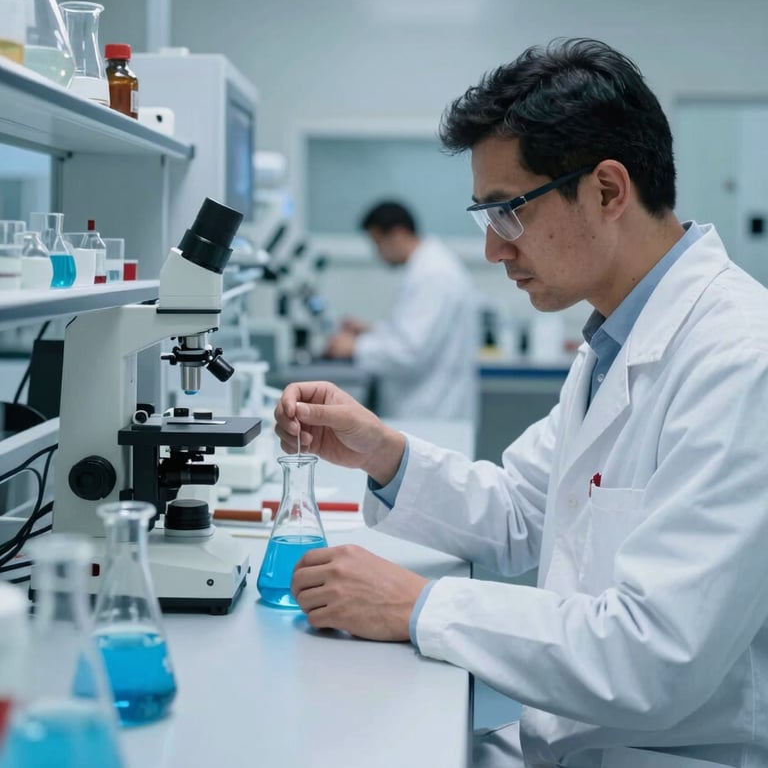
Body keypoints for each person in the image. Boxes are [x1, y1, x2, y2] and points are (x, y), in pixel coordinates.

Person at [274, 39, 768, 768]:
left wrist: (417, 606)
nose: (494, 251)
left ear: (607, 191)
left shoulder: (740, 358)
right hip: (572, 741)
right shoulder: (615, 339)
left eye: (508, 211)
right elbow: (518, 512)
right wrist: (383, 453)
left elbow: (655, 655)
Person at [323, 200, 479, 422]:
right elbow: (414, 333)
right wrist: (371, 331)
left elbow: (409, 351)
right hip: (427, 407)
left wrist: (354, 347)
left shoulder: (433, 274)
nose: (378, 254)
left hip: (431, 412)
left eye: (378, 244)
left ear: (396, 234)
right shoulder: (426, 267)